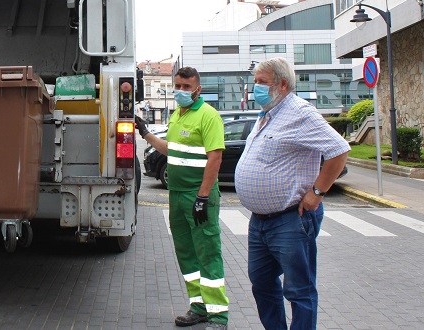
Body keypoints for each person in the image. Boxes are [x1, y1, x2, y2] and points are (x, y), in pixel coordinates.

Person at [234, 58, 350, 330]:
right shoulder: (266, 114)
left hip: (291, 220)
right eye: (256, 82)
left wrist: (317, 192)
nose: (255, 88)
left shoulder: (300, 112)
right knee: (262, 284)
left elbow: (339, 150)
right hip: (260, 221)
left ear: (282, 84)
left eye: (262, 82)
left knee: (299, 290)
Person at [136, 66, 229, 329]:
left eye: (186, 87)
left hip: (197, 196)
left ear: (197, 89)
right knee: (187, 254)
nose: (180, 91)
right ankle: (198, 307)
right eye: (177, 86)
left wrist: (202, 196)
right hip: (176, 195)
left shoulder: (208, 116)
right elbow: (173, 150)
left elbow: (215, 157)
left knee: (208, 254)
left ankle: (218, 316)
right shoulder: (178, 114)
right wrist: (146, 134)